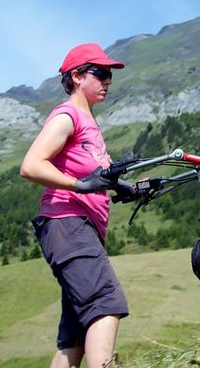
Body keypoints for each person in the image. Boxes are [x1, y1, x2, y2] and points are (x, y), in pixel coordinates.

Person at [20, 43, 134, 368]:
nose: (107, 80)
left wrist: (124, 187)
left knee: (76, 336)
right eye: (100, 73)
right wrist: (79, 185)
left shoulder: (90, 124)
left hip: (78, 229)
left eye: (109, 74)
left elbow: (94, 175)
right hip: (68, 224)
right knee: (105, 304)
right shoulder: (68, 115)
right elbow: (31, 165)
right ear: (77, 76)